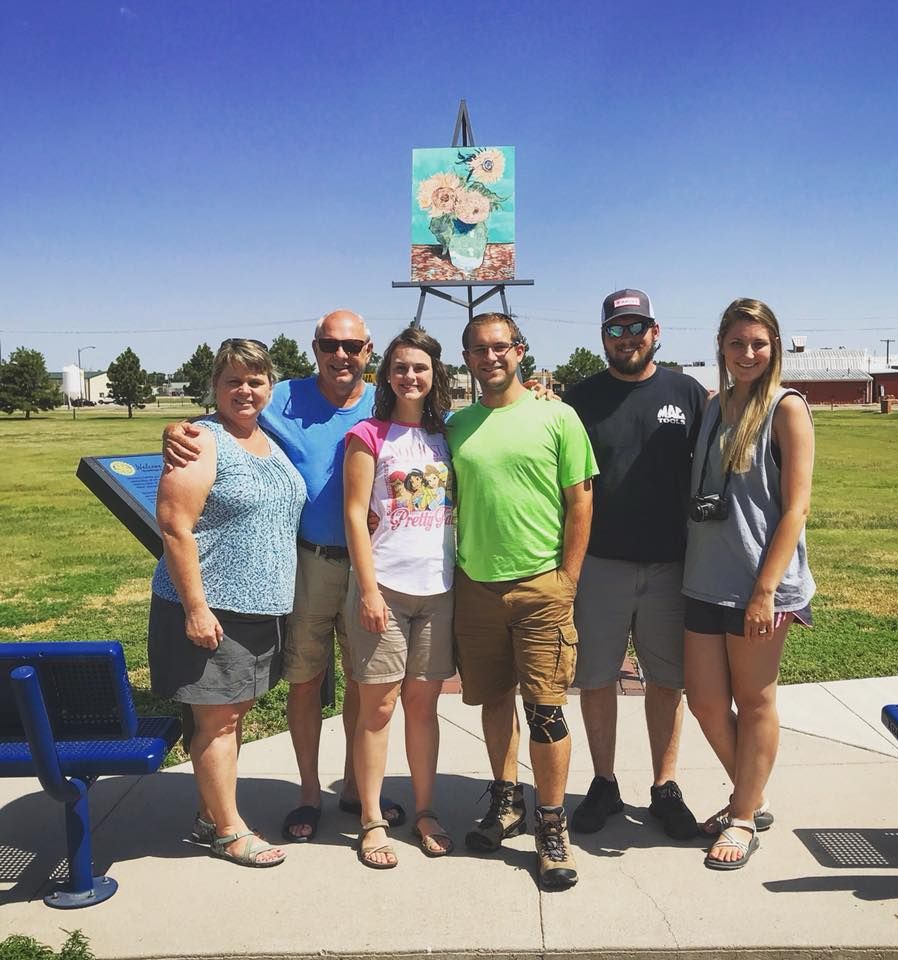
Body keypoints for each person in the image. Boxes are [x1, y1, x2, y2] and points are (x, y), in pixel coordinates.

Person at [163, 310, 408, 841]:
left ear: (369, 351)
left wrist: (537, 395)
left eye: (353, 346)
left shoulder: (386, 398)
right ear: (315, 347)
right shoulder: (281, 396)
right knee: (305, 679)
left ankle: (356, 787)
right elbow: (225, 415)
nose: (341, 355)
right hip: (309, 562)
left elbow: (439, 419)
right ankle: (308, 793)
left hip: (372, 566)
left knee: (366, 683)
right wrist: (175, 429)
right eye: (330, 344)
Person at [448, 312, 597, 891]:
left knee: (546, 709)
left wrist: (568, 580)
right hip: (476, 587)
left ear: (520, 350)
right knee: (493, 700)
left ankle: (552, 825)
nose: (490, 357)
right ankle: (506, 800)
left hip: (541, 587)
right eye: (478, 349)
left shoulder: (558, 417)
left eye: (500, 347)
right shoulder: (457, 425)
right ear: (467, 358)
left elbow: (581, 502)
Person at [148, 338, 306, 867]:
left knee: (231, 715)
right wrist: (196, 608)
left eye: (255, 380)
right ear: (214, 386)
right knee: (217, 721)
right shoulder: (199, 441)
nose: (245, 390)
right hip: (212, 608)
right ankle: (228, 831)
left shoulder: (267, 438)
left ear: (270, 387)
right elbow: (175, 526)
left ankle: (208, 813)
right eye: (232, 380)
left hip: (262, 607)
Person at [562, 289, 706, 840]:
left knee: (666, 680)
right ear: (603, 336)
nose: (627, 338)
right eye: (616, 329)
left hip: (671, 565)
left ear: (655, 331)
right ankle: (604, 782)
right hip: (600, 563)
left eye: (636, 327)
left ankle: (665, 785)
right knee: (596, 678)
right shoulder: (579, 400)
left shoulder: (685, 393)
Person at [682, 298, 815, 870]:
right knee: (706, 701)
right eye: (737, 343)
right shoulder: (716, 405)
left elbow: (796, 508)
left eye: (758, 343)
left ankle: (741, 816)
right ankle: (750, 796)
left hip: (759, 584)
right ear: (721, 346)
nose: (747, 353)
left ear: (774, 346)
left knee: (755, 700)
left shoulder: (787, 408)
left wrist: (765, 591)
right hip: (704, 578)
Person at [342, 327, 456, 869]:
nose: (411, 376)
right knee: (379, 706)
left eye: (420, 367)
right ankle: (371, 820)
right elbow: (354, 514)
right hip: (384, 588)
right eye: (401, 367)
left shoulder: (446, 434)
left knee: (423, 706)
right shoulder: (368, 435)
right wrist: (367, 590)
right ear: (386, 376)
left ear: (435, 375)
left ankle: (426, 811)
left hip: (439, 590)